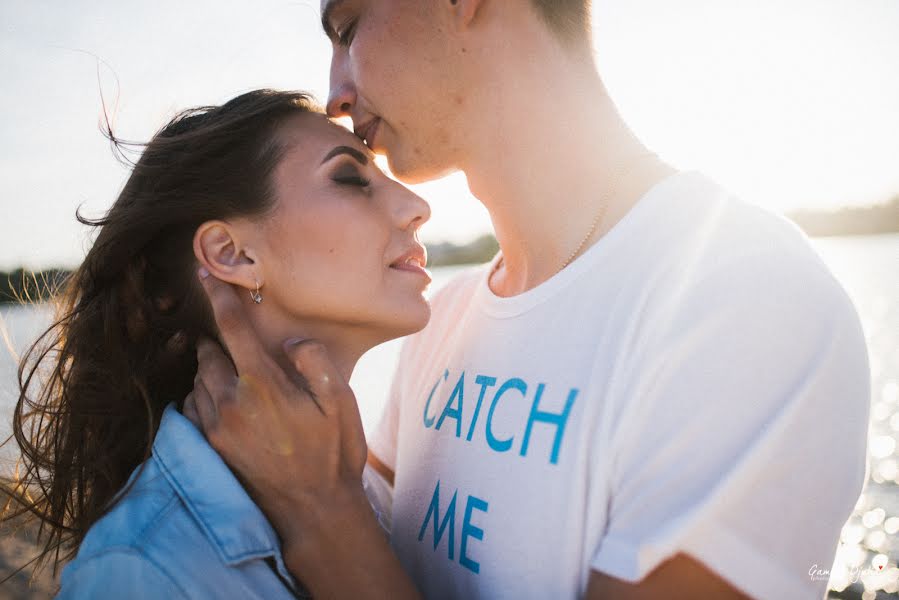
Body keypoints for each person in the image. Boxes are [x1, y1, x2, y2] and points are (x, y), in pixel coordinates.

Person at [188, 1, 871, 598]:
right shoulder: (442, 322)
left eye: (347, 26)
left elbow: (343, 540)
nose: (335, 93)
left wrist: (320, 517)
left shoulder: (745, 302)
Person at [3, 89, 428, 598]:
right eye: (351, 179)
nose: (417, 205)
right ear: (232, 253)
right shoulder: (140, 574)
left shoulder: (353, 478)